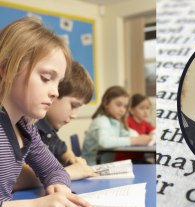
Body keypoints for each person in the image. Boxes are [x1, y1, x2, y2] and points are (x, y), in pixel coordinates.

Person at [0, 18, 90, 206]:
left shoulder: (26, 126)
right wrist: (36, 204)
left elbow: (53, 170)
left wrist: (60, 187)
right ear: (7, 69)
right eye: (46, 78)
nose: (55, 92)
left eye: (58, 83)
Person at [13, 61, 99, 191]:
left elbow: (62, 150)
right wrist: (69, 172)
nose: (74, 115)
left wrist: (72, 159)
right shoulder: (29, 123)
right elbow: (14, 176)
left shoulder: (45, 129)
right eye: (73, 105)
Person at [82, 86, 151, 165]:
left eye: (125, 106)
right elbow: (105, 142)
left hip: (106, 165)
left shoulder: (114, 122)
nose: (122, 110)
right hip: (93, 165)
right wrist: (135, 140)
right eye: (118, 105)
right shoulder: (101, 121)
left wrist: (137, 138)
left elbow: (133, 134)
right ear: (106, 103)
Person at [115, 94, 155, 162]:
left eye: (147, 108)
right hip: (124, 160)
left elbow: (154, 131)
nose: (146, 111)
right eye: (142, 108)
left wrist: (153, 133)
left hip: (138, 159)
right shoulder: (127, 121)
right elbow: (122, 137)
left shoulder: (145, 123)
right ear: (131, 110)